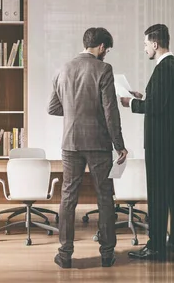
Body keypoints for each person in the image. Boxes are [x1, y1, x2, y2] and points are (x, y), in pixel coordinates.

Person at [48, 27, 128, 269]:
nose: (107, 54)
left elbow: (52, 108)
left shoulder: (63, 68)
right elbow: (110, 112)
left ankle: (65, 254)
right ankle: (106, 254)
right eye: (108, 50)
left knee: (68, 197)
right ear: (102, 47)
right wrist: (120, 145)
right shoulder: (103, 69)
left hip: (70, 143)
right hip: (98, 143)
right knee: (104, 197)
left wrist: (75, 111)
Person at [120, 23, 174, 261]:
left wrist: (132, 104)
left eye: (146, 44)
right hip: (170, 138)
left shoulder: (163, 69)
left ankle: (156, 246)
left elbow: (156, 107)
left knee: (157, 194)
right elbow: (163, 102)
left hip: (159, 142)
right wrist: (143, 97)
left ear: (155, 44)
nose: (145, 48)